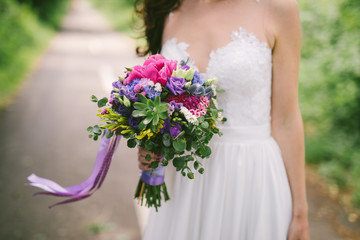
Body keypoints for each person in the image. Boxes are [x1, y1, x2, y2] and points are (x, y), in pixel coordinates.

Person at [135, 0, 310, 239]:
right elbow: (161, 96)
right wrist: (152, 139)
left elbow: (286, 119)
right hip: (185, 183)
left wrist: (300, 212)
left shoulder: (278, 8)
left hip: (251, 178)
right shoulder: (168, 7)